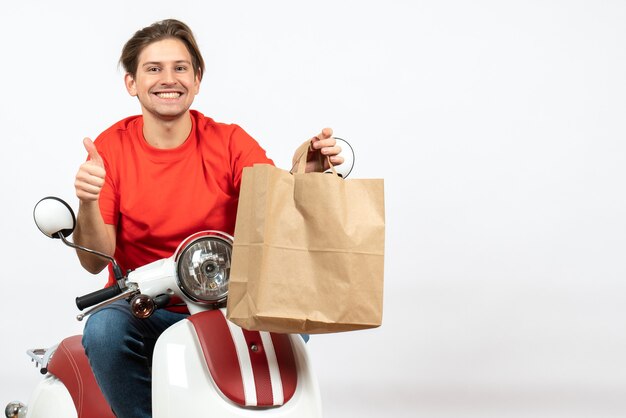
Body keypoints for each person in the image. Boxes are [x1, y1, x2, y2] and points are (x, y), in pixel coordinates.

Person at [73, 19, 343, 418]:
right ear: (131, 83)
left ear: (197, 80)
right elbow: (95, 260)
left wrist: (309, 176)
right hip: (147, 304)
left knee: (290, 318)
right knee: (104, 330)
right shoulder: (110, 148)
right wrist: (88, 200)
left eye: (181, 68)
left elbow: (274, 205)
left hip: (229, 301)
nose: (169, 79)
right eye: (154, 68)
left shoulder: (229, 141)